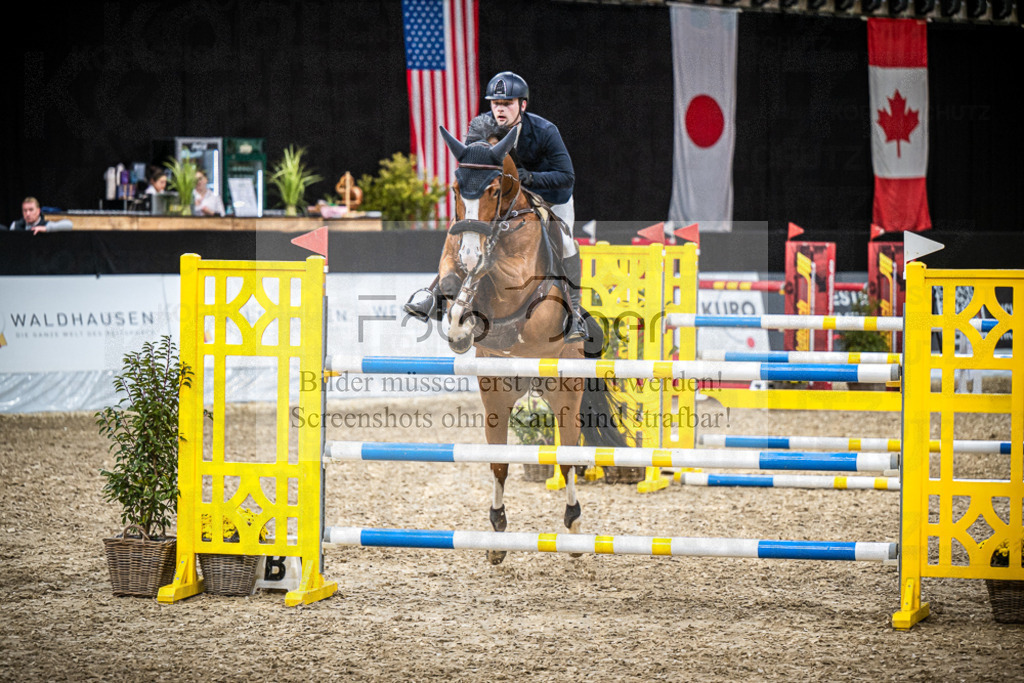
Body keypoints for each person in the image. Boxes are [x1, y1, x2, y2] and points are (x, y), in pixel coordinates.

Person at [404, 71, 585, 341]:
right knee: (468, 230)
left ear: (522, 105)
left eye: (508, 103)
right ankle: (435, 294)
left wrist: (530, 177)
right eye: (495, 103)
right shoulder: (481, 129)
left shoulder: (545, 131)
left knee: (567, 243)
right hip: (502, 198)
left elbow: (567, 176)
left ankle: (575, 313)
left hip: (550, 196)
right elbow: (472, 174)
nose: (500, 109)